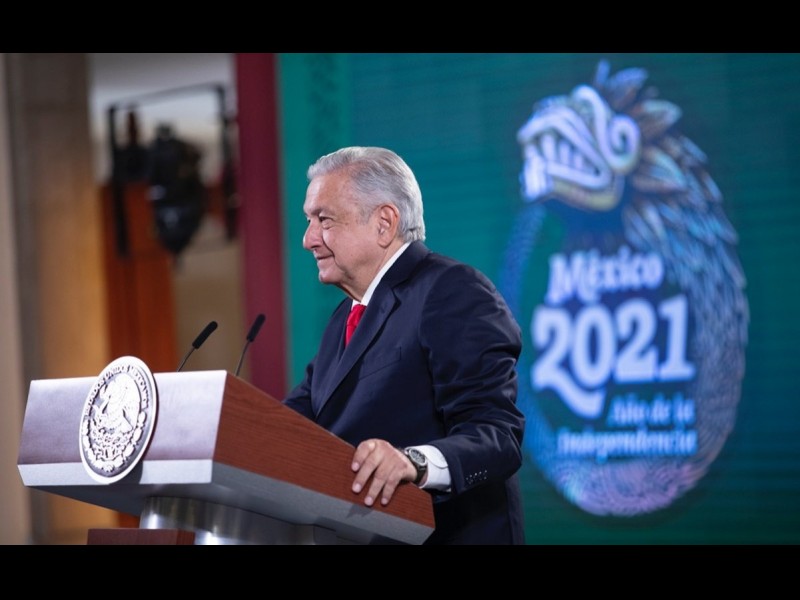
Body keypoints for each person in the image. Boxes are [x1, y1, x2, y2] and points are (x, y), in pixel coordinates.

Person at [283, 146, 526, 544]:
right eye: (309, 221)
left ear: (384, 223)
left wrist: (413, 462)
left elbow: (497, 436)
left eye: (324, 220)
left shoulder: (452, 290)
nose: (308, 239)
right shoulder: (344, 318)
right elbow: (292, 423)